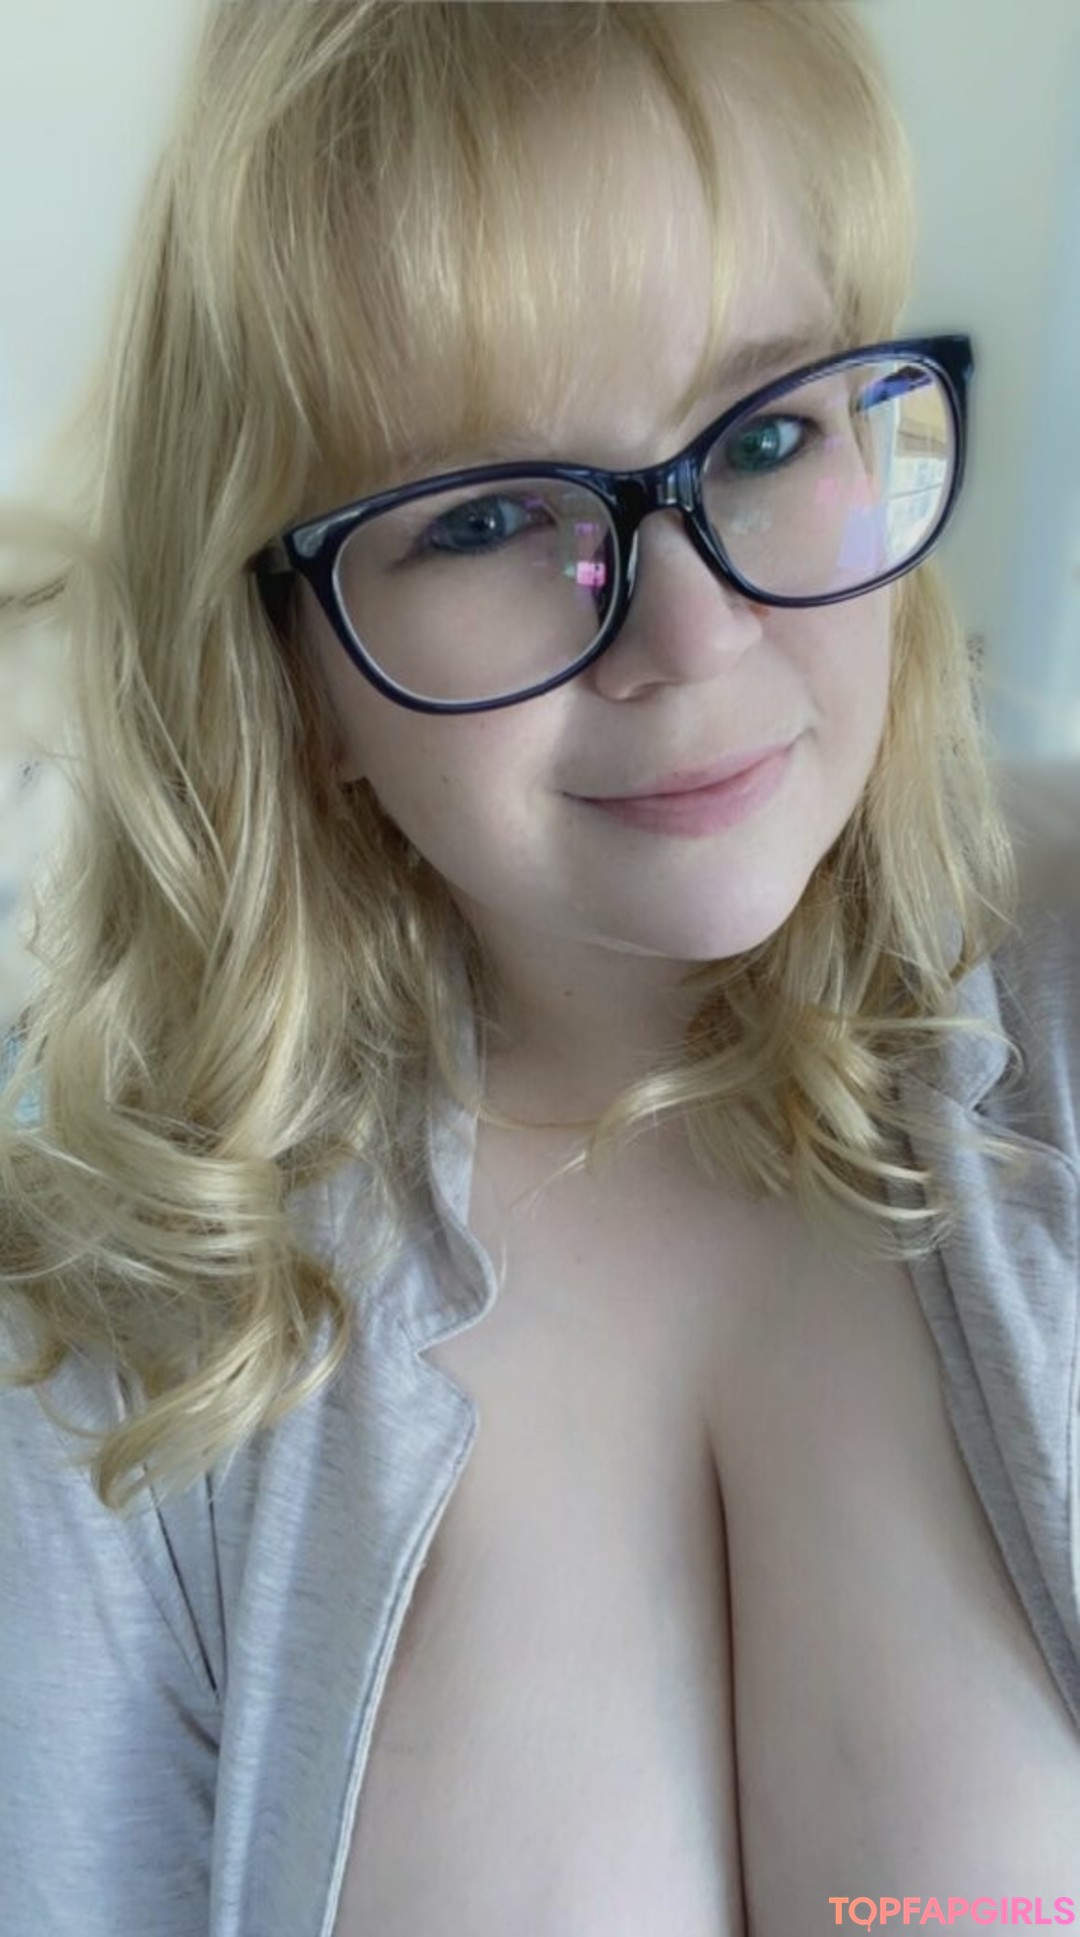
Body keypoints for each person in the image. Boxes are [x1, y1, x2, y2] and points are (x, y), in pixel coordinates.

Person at [1, 3, 1078, 1932]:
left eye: (768, 431)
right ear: (291, 669)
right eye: (493, 515)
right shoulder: (120, 1322)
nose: (694, 629)